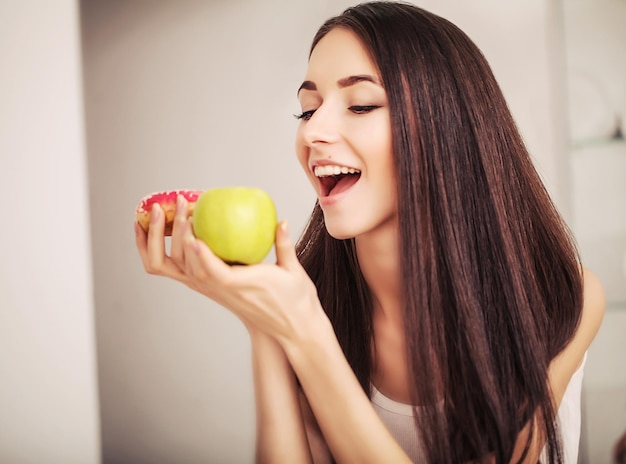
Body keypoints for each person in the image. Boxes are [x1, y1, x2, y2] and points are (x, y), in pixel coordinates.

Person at [134, 2, 606, 463]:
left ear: (446, 128)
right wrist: (267, 328)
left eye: (360, 105)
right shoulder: (312, 297)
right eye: (307, 109)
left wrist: (305, 333)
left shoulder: (560, 298)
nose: (313, 132)